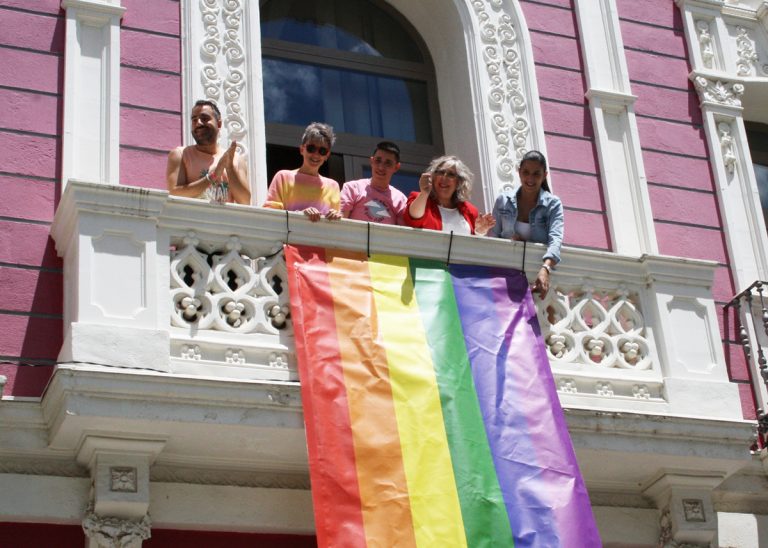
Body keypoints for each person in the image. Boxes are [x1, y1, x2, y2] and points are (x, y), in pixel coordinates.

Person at [488, 150, 564, 297]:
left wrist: (545, 268)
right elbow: (494, 238)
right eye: (526, 172)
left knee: (544, 318)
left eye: (536, 174)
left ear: (544, 176)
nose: (530, 178)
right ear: (519, 172)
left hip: (538, 274)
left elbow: (556, 240)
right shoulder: (503, 201)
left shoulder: (553, 204)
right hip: (506, 273)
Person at [166, 99, 250, 204]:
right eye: (194, 120)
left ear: (219, 124)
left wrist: (229, 168)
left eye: (204, 118)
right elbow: (174, 194)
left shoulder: (236, 159)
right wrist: (212, 176)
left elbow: (245, 201)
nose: (198, 123)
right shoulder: (180, 154)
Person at [263, 122, 341, 222]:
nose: (316, 155)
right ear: (302, 149)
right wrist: (300, 215)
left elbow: (336, 224)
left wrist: (335, 216)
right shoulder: (283, 177)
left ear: (327, 155)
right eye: (311, 148)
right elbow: (270, 214)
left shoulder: (332, 186)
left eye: (322, 151)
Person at [403, 155, 494, 235]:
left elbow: (474, 245)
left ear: (459, 182)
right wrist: (425, 192)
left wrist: (480, 231)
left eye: (451, 174)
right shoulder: (420, 199)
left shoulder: (470, 210)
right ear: (433, 177)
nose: (444, 177)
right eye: (441, 172)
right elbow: (413, 219)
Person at [340, 141, 407, 225]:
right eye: (378, 161)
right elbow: (340, 223)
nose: (381, 167)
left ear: (396, 167)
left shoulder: (400, 199)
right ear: (371, 161)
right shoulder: (352, 188)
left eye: (388, 163)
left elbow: (402, 234)